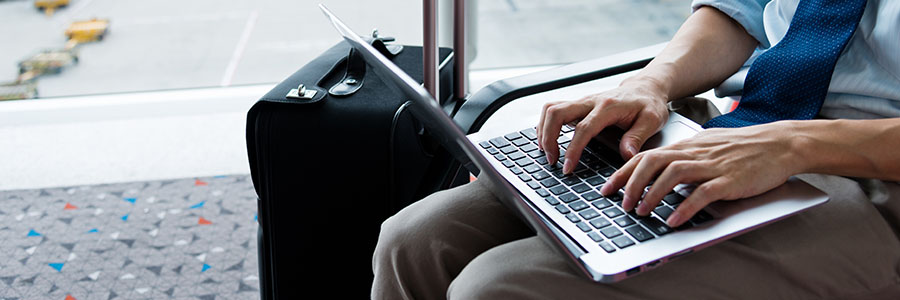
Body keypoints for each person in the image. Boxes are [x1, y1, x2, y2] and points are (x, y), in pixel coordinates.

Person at [373, 0, 900, 298]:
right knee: (415, 241)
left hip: (869, 171)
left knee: (496, 290)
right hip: (739, 131)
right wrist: (652, 82)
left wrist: (792, 143)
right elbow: (739, 10)